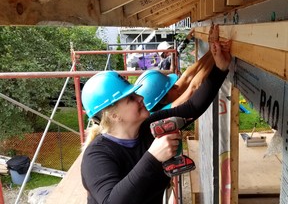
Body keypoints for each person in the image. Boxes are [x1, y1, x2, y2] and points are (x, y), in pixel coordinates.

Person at [80, 24, 231, 204]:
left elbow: (192, 108)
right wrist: (153, 157)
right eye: (130, 99)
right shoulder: (97, 156)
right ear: (113, 115)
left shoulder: (147, 128)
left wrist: (220, 68)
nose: (140, 98)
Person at [135, 25, 230, 112]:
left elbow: (187, 76)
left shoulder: (162, 95)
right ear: (164, 101)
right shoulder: (170, 111)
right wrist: (214, 54)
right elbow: (194, 87)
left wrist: (211, 50)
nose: (176, 85)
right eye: (172, 87)